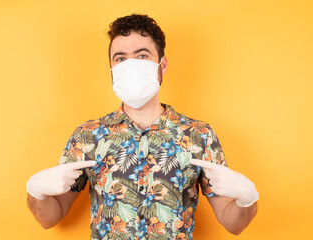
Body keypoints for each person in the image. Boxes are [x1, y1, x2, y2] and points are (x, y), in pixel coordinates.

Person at [26, 14, 259, 239]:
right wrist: (37, 194)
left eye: (142, 56)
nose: (131, 66)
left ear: (162, 65)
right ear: (112, 69)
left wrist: (246, 200)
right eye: (120, 58)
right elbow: (49, 219)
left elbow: (233, 224)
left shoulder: (199, 135)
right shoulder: (88, 136)